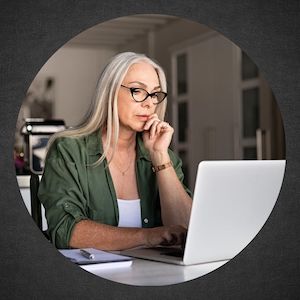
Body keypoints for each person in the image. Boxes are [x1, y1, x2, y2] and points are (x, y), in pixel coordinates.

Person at [38, 52, 192, 251]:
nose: (150, 103)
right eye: (138, 90)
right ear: (109, 91)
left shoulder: (163, 156)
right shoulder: (68, 150)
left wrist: (160, 157)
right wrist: (147, 236)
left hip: (156, 274)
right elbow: (66, 231)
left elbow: (188, 230)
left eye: (155, 94)